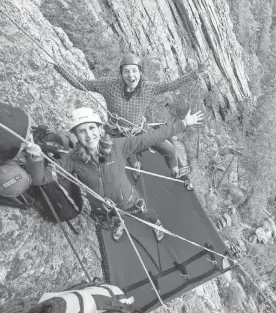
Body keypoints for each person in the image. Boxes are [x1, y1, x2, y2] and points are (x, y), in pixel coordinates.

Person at [25, 107, 204, 242]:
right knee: (114, 219)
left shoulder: (118, 146)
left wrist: (183, 123)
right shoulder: (71, 159)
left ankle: (155, 223)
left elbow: (152, 138)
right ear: (75, 135)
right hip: (103, 207)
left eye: (92, 128)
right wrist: (35, 157)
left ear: (100, 129)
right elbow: (41, 179)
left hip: (128, 199)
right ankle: (119, 223)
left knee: (145, 213)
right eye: (81, 130)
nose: (89, 135)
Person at [53, 52, 205, 179]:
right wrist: (58, 66)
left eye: (134, 70)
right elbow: (81, 83)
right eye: (126, 71)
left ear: (140, 72)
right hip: (116, 134)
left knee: (170, 150)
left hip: (139, 129)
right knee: (119, 156)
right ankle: (134, 164)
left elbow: (171, 85)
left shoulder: (148, 88)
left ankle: (175, 171)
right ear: (121, 74)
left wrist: (195, 73)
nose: (131, 75)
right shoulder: (109, 85)